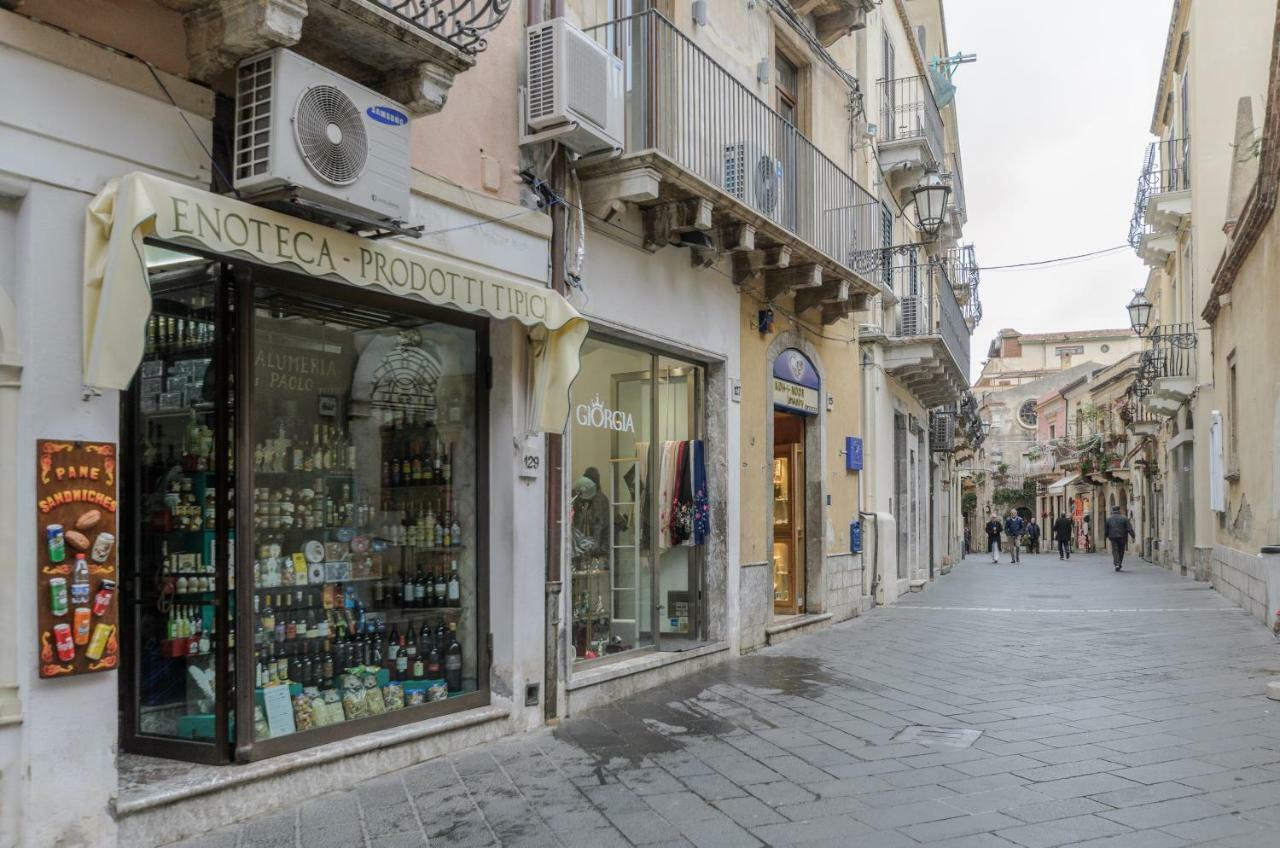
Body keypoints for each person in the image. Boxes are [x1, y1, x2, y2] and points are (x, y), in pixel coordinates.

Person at [1105, 506, 1136, 571]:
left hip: (1113, 537)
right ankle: (1119, 563)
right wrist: (1133, 536)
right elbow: (1129, 528)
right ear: (1119, 510)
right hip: (1122, 537)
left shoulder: (1109, 519)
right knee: (1121, 551)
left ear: (1112, 511)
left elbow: (1106, 529)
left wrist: (1107, 536)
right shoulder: (1124, 518)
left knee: (1115, 550)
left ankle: (1117, 564)